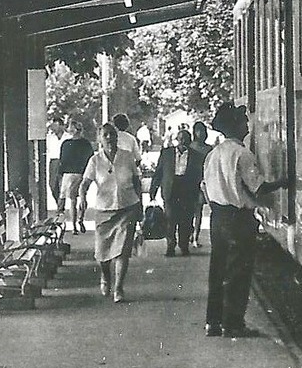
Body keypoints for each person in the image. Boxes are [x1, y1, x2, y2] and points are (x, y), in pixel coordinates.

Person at [200, 104, 282, 338]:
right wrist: (285, 182)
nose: (247, 125)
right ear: (236, 126)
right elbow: (259, 187)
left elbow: (204, 186)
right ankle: (233, 324)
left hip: (217, 217)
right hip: (238, 219)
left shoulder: (213, 154)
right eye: (244, 122)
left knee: (217, 269)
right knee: (238, 271)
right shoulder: (242, 154)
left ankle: (212, 322)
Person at [80, 122, 143, 303]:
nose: (109, 138)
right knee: (102, 253)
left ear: (117, 137)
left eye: (112, 134)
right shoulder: (95, 161)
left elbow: (137, 181)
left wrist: (140, 204)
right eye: (105, 135)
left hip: (127, 207)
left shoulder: (127, 156)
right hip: (104, 210)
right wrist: (82, 197)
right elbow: (85, 183)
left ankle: (118, 288)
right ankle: (105, 276)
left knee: (122, 251)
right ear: (99, 138)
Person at [149, 123, 204, 257]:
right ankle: (170, 246)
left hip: (187, 190)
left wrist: (200, 193)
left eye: (186, 139)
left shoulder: (197, 156)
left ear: (190, 141)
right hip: (171, 190)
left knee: (186, 220)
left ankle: (184, 245)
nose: (183, 142)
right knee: (170, 219)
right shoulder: (167, 153)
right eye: (180, 139)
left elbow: (200, 176)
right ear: (177, 140)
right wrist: (153, 190)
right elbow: (159, 172)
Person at [56, 121, 94, 233]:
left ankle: (73, 226)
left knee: (72, 201)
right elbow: (91, 159)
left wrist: (61, 174)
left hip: (69, 174)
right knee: (82, 197)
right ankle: (80, 219)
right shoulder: (86, 144)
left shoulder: (66, 144)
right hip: (82, 174)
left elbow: (62, 160)